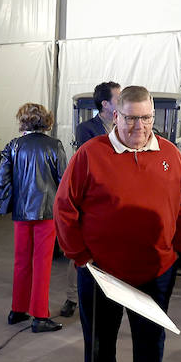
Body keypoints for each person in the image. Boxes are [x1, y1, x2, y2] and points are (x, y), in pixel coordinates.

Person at [56, 85, 181, 362]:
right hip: (102, 272)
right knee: (100, 337)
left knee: (151, 337)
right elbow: (65, 208)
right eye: (130, 118)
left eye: (146, 118)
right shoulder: (90, 154)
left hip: (156, 269)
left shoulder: (171, 155)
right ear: (115, 115)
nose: (139, 127)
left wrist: (175, 247)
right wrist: (81, 256)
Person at [0, 102, 69, 333]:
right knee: (42, 264)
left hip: (21, 212)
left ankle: (17, 310)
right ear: (45, 120)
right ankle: (39, 316)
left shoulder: (14, 146)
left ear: (23, 121)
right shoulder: (54, 145)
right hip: (46, 213)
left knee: (21, 262)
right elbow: (65, 181)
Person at [63, 82, 120, 317]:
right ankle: (72, 297)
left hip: (117, 197)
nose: (123, 99)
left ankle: (110, 295)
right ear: (105, 103)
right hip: (93, 196)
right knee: (83, 249)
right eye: (118, 97)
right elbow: (92, 159)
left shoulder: (124, 124)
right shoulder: (86, 128)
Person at [75, 81, 121, 147]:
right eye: (119, 99)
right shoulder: (85, 129)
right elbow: (89, 155)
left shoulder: (122, 125)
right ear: (105, 104)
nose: (123, 103)